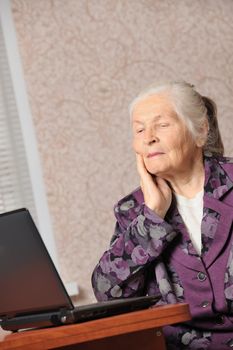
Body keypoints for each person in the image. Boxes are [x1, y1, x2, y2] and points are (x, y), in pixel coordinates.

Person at [91, 81, 233, 349]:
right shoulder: (133, 210)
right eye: (139, 129)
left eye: (162, 125)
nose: (149, 137)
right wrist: (152, 216)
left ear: (200, 131)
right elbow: (108, 295)